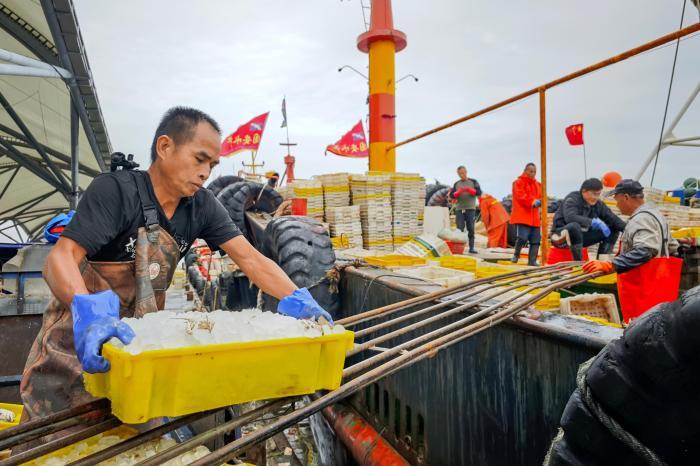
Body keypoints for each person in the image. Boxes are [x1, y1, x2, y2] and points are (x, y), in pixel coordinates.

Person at [20, 107, 332, 426]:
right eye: (199, 159)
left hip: (137, 357)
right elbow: (60, 258)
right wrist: (90, 315)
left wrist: (296, 297)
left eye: (211, 165)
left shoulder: (202, 206)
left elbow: (251, 259)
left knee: (138, 448)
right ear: (165, 146)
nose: (205, 173)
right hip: (75, 349)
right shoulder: (115, 191)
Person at [583, 179, 681, 322]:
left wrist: (612, 265)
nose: (617, 205)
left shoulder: (641, 219)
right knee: (659, 324)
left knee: (641, 329)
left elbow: (646, 250)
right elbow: (672, 247)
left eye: (617, 200)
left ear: (626, 197)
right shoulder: (657, 215)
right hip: (659, 289)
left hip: (642, 291)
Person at [550, 178, 626, 261]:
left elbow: (613, 219)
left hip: (579, 238)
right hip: (560, 237)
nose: (596, 197)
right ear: (584, 191)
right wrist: (592, 222)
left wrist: (629, 229)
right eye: (594, 194)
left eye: (598, 194)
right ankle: (578, 263)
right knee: (574, 226)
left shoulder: (598, 204)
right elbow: (570, 217)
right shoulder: (572, 199)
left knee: (613, 229)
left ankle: (602, 261)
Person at [509, 163, 542, 266]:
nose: (533, 174)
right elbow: (520, 196)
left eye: (534, 172)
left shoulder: (539, 184)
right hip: (523, 216)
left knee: (536, 240)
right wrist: (532, 202)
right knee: (522, 238)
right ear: (525, 170)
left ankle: (532, 261)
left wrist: (541, 201)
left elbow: (541, 196)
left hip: (535, 218)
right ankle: (516, 254)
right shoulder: (517, 183)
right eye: (531, 171)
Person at [449, 165, 482, 253]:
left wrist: (470, 190)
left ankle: (471, 248)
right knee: (459, 229)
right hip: (459, 209)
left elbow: (479, 192)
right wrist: (457, 193)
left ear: (466, 172)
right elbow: (451, 195)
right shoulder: (456, 184)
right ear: (458, 174)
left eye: (463, 173)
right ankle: (459, 249)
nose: (462, 175)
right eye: (460, 174)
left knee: (471, 228)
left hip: (470, 209)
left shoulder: (473, 182)